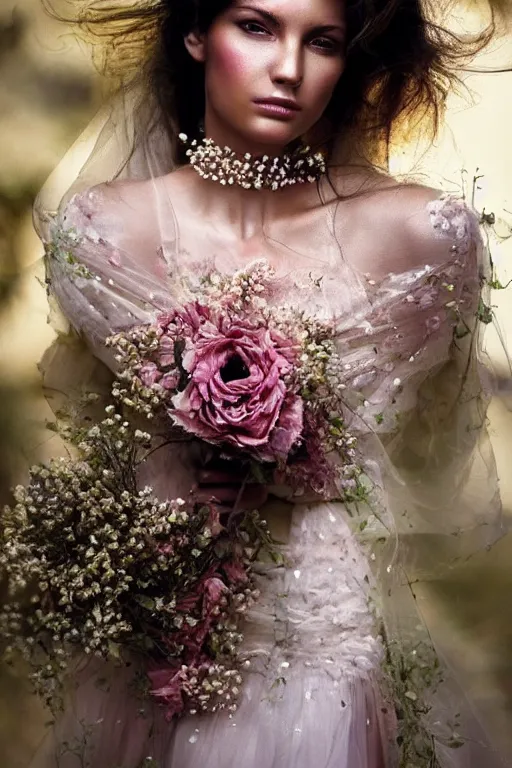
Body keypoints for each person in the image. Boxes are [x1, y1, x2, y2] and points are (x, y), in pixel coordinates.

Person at [30, 0, 509, 766]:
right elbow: (113, 452)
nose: (288, 68)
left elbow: (421, 447)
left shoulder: (419, 233)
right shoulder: (105, 233)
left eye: (320, 41)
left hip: (316, 625)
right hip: (169, 632)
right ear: (195, 34)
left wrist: (297, 452)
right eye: (256, 27)